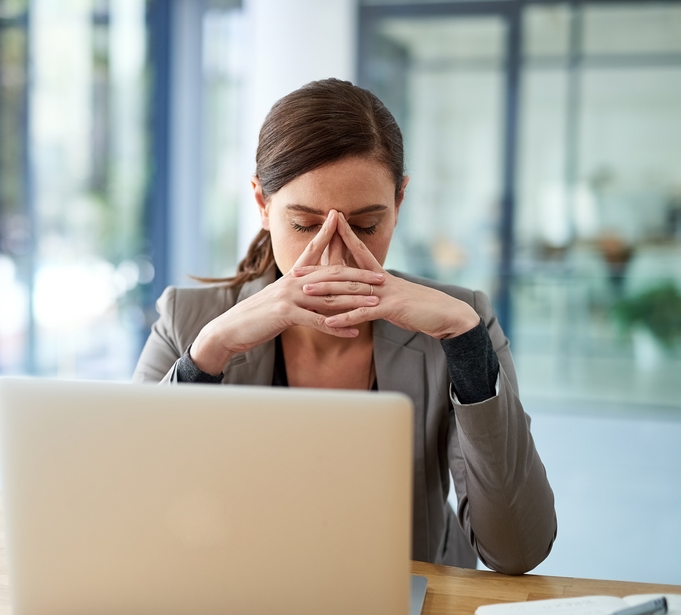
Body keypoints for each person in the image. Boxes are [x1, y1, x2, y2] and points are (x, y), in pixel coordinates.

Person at [133, 78, 556, 575]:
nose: (335, 257)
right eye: (307, 225)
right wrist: (207, 355)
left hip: (409, 605)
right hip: (235, 595)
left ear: (399, 203)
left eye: (366, 225)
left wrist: (467, 347)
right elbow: (134, 515)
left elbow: (518, 551)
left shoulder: (461, 320)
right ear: (262, 205)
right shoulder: (189, 319)